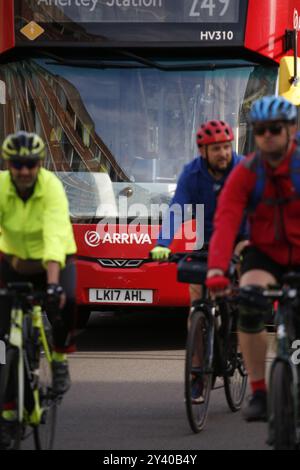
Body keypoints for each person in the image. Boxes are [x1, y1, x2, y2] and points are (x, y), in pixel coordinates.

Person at [206, 95, 299, 421]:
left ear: (291, 129)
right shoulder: (246, 171)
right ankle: (259, 391)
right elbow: (226, 221)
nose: (268, 135)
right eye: (260, 130)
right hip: (266, 252)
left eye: (275, 128)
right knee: (249, 303)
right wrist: (216, 269)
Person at [150, 120, 247, 402]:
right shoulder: (192, 174)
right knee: (196, 306)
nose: (223, 153)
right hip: (207, 240)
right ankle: (197, 375)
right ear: (203, 151)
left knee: (240, 286)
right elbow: (177, 209)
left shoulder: (242, 170)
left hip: (242, 234)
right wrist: (162, 244)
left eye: (227, 147)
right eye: (216, 148)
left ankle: (234, 335)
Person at [0, 131, 77, 446]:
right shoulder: (2, 187)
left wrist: (54, 286)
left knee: (67, 301)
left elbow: (54, 235)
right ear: (8, 164)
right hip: (15, 259)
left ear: (40, 164)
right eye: (17, 164)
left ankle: (58, 359)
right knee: (8, 343)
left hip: (54, 260)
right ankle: (8, 417)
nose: (24, 171)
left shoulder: (51, 188)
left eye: (30, 164)